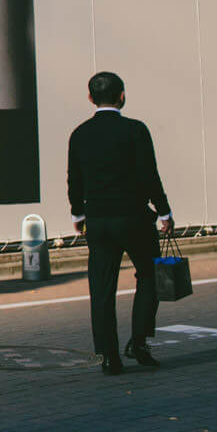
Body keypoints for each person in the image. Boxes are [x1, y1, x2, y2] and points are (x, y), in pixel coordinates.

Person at [67, 72, 173, 376]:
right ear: (122, 96)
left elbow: (75, 179)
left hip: (98, 220)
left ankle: (108, 357)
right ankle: (138, 342)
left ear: (90, 98)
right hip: (134, 217)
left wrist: (78, 214)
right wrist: (163, 211)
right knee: (150, 276)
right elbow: (149, 175)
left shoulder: (80, 134)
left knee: (101, 289)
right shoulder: (135, 130)